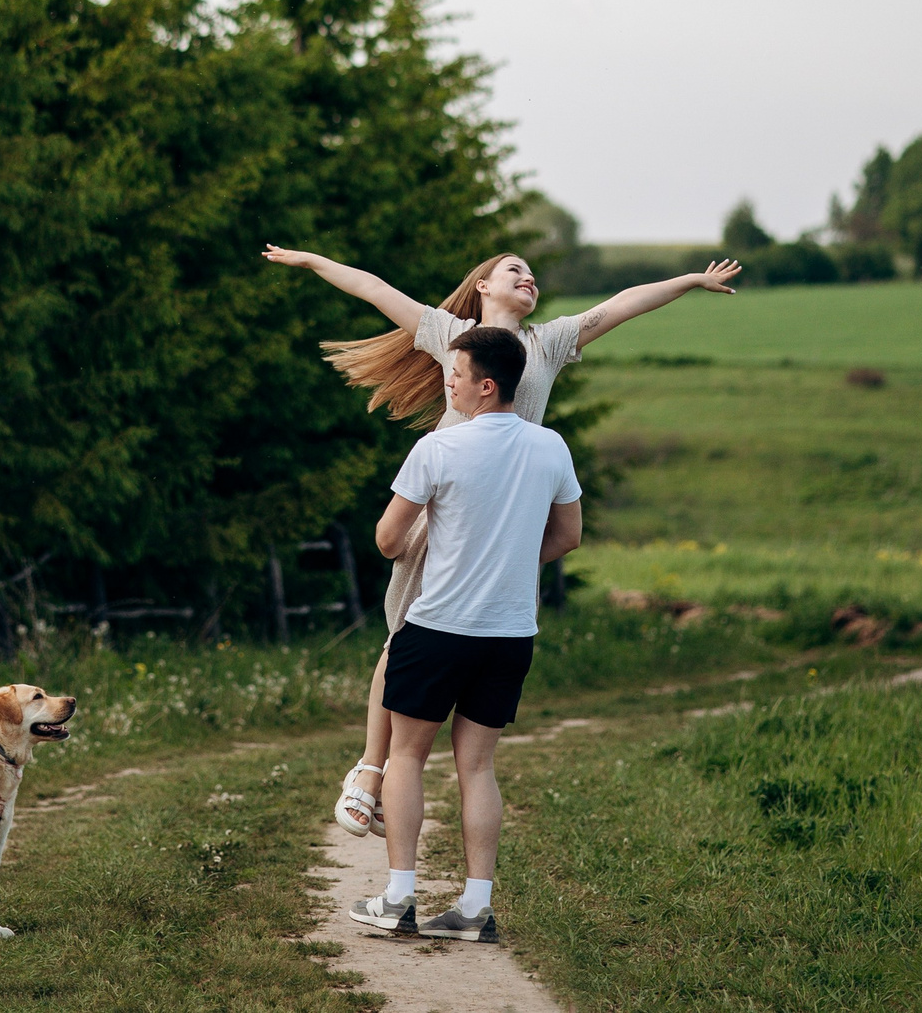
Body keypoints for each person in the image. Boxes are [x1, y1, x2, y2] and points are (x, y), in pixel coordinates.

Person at [259, 243, 740, 840]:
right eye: (514, 269)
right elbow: (375, 289)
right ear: (483, 287)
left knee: (454, 657)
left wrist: (691, 279)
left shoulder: (551, 342)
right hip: (439, 512)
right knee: (403, 635)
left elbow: (622, 305)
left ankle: (394, 788)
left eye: (532, 272)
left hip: (502, 516)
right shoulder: (448, 332)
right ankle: (368, 772)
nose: (527, 277)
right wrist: (313, 263)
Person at [343, 326, 579, 940]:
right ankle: (475, 909)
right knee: (478, 769)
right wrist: (510, 558)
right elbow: (568, 537)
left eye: (456, 373)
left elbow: (389, 540)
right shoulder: (552, 447)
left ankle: (398, 900)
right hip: (510, 635)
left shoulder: (438, 449)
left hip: (439, 627)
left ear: (486, 384)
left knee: (406, 757)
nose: (448, 381)